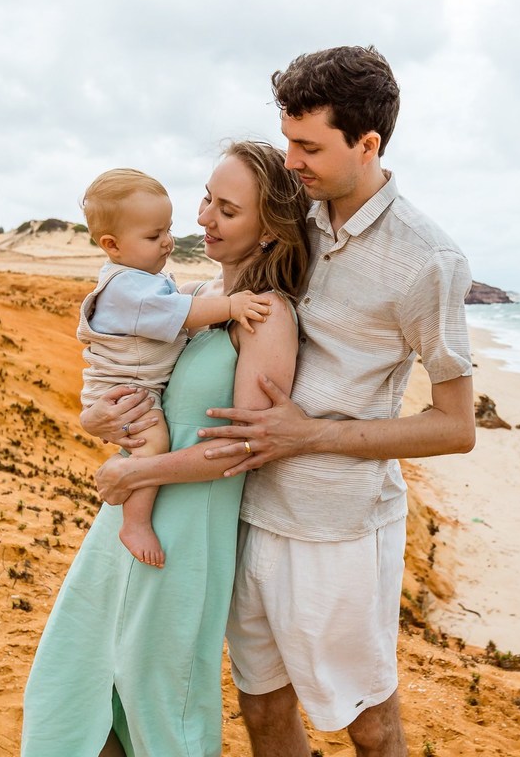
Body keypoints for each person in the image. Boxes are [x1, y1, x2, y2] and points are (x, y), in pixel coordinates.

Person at [97, 45, 476, 756]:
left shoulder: (429, 259)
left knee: (366, 724)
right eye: (287, 142)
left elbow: (456, 428)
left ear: (367, 145)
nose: (293, 161)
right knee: (263, 711)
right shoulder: (296, 215)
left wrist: (311, 436)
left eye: (308, 145)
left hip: (336, 528)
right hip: (244, 511)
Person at [21, 141, 311, 757]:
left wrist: (136, 472)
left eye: (227, 210)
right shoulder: (191, 296)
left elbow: (241, 450)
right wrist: (97, 418)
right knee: (77, 687)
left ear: (269, 229)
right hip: (130, 515)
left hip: (180, 536)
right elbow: (136, 382)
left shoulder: (268, 318)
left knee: (158, 705)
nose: (203, 217)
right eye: (207, 198)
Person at [77, 167, 272, 568]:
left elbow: (248, 441)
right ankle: (135, 522)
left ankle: (133, 494)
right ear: (112, 245)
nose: (169, 241)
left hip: (187, 496)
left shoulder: (151, 282)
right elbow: (182, 312)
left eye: (228, 210)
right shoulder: (138, 288)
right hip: (127, 391)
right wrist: (233, 306)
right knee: (152, 440)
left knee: (146, 445)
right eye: (154, 236)